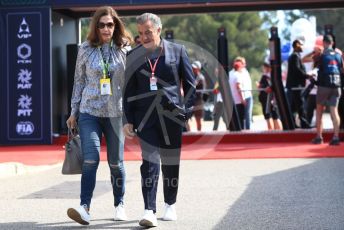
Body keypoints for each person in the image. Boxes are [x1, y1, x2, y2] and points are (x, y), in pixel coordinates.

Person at [122, 13, 195, 227]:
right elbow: (128, 91)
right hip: (144, 118)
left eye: (148, 32)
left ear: (159, 30)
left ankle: (170, 203)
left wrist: (186, 112)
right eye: (141, 33)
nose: (144, 37)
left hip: (172, 116)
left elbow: (190, 85)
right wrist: (127, 119)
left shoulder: (178, 51)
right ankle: (149, 210)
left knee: (170, 162)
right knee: (150, 161)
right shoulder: (132, 56)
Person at [65, 6, 132, 225]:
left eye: (110, 24)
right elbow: (79, 81)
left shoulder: (124, 49)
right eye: (101, 24)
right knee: (91, 159)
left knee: (116, 163)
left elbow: (130, 83)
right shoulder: (85, 49)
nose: (106, 28)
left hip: (115, 113)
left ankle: (119, 204)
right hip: (89, 112)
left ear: (116, 26)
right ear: (96, 26)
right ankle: (84, 207)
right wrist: (73, 111)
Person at [311, 34, 343, 145]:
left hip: (324, 86)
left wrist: (315, 52)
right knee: (334, 112)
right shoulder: (339, 56)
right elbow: (342, 69)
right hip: (336, 86)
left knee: (319, 112)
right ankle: (335, 138)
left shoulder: (322, 54)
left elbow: (311, 62)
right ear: (332, 43)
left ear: (324, 43)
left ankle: (319, 137)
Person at [286, 39, 312, 128]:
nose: (303, 47)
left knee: (294, 106)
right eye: (301, 45)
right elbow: (297, 70)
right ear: (297, 45)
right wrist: (306, 75)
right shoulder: (295, 56)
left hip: (294, 86)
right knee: (300, 105)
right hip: (296, 86)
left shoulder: (295, 56)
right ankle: (304, 124)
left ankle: (293, 124)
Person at [257, 62, 282, 130]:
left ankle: (271, 131)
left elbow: (264, 87)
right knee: (275, 116)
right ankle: (278, 131)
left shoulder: (265, 76)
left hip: (268, 99)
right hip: (272, 98)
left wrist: (259, 86)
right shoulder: (274, 75)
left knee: (269, 116)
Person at [192, 60, 206, 131]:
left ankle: (199, 133)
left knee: (198, 119)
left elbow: (193, 85)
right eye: (192, 67)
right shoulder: (191, 76)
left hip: (198, 100)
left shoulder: (201, 77)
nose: (193, 69)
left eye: (194, 68)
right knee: (185, 118)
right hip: (191, 100)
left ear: (198, 69)